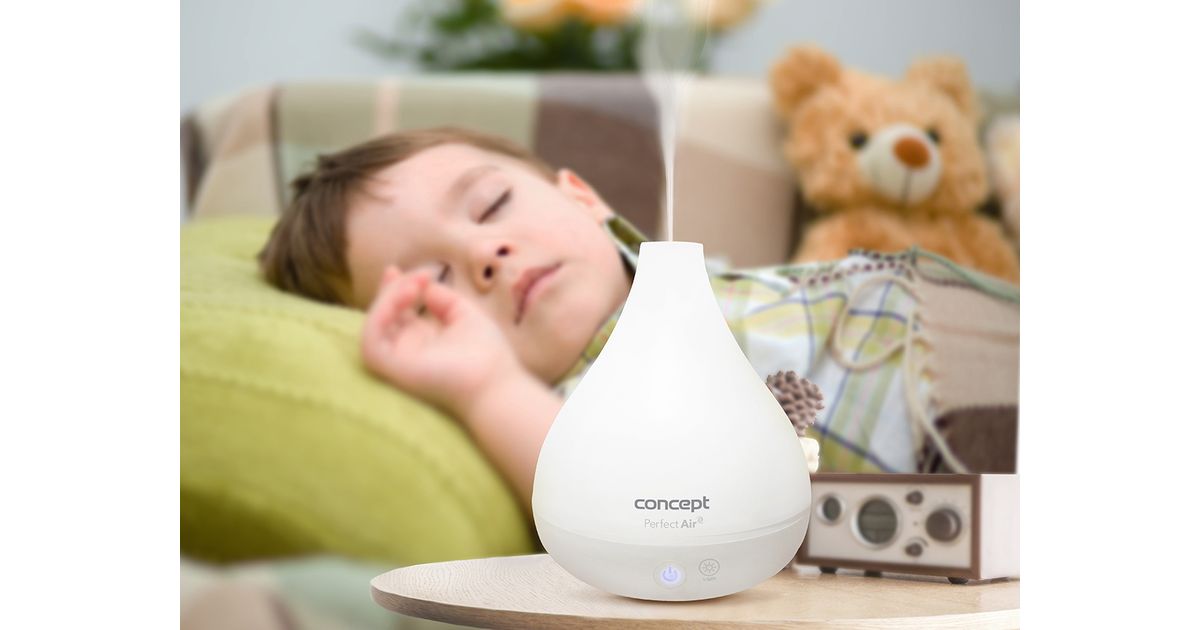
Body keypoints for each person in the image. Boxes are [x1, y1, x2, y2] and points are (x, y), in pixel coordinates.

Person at [259, 126, 957, 514]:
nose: (484, 254)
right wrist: (484, 387)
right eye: (435, 284)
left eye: (492, 204)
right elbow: (625, 505)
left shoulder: (697, 279)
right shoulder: (562, 417)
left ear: (584, 199)